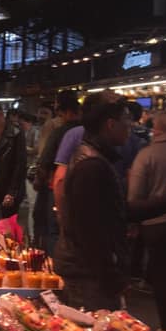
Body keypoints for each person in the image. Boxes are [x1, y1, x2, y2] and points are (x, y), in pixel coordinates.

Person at [54, 92, 132, 311]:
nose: (130, 127)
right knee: (94, 330)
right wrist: (113, 278)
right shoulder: (92, 166)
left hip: (87, 270)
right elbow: (89, 232)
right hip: (88, 275)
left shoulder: (92, 157)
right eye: (126, 121)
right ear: (110, 124)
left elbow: (115, 211)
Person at [127, 109, 166, 331]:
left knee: (163, 274)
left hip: (158, 225)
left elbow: (135, 196)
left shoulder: (147, 154)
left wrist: (133, 222)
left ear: (158, 128)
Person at [33, 91, 80, 252]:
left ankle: (51, 260)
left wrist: (39, 179)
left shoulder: (60, 130)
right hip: (80, 187)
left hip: (56, 184)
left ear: (65, 111)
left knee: (52, 227)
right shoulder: (88, 130)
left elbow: (45, 158)